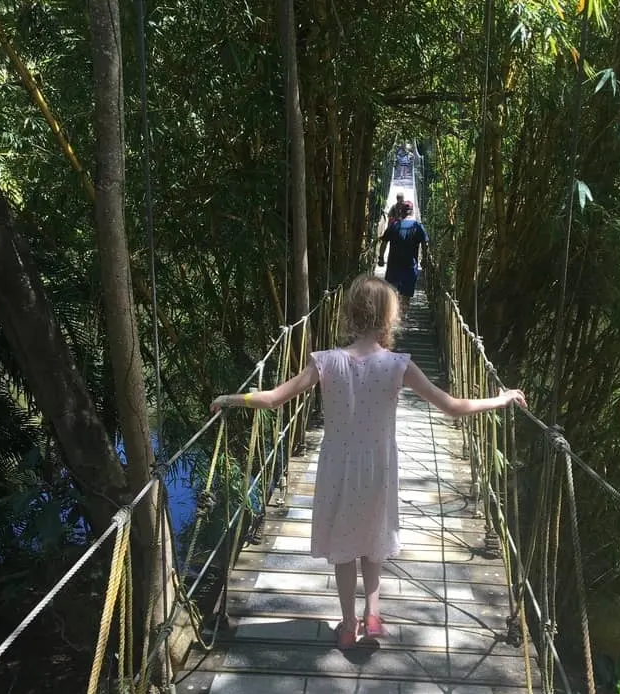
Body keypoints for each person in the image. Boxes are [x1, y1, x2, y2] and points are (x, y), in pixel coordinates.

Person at [210, 275, 526, 649]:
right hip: (378, 469)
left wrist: (231, 399)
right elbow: (452, 407)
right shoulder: (398, 365)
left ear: (350, 315)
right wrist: (500, 399)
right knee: (373, 542)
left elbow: (275, 398)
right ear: (389, 319)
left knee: (344, 549)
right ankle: (372, 616)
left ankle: (348, 625)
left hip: (337, 470)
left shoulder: (325, 362)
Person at [377, 200, 428, 311]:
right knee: (406, 296)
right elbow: (425, 243)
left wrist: (381, 257)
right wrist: (424, 259)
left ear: (401, 212)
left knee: (392, 293)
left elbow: (384, 242)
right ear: (412, 212)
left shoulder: (394, 225)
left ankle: (393, 316)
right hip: (410, 267)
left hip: (393, 265)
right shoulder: (417, 226)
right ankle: (403, 317)